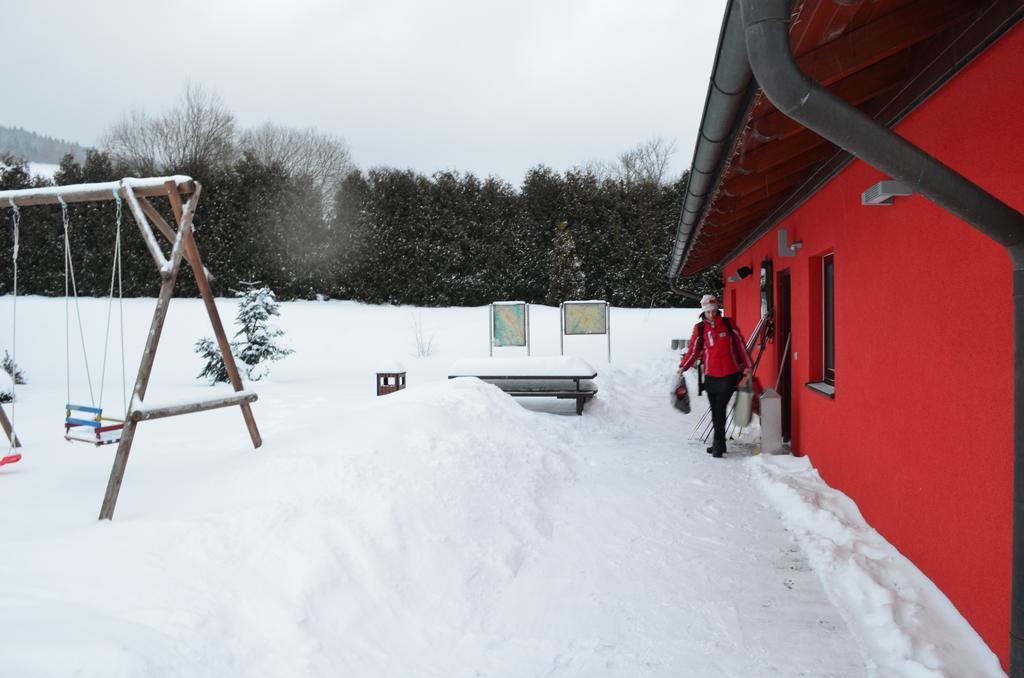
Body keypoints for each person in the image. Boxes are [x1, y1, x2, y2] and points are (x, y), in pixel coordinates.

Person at [679, 294, 752, 457]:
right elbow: (693, 350)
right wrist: (682, 367)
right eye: (707, 312)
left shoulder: (727, 324)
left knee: (719, 409)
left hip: (729, 374)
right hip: (711, 376)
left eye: (713, 311)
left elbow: (740, 345)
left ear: (717, 309)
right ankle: (721, 442)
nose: (711, 314)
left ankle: (718, 444)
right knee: (715, 411)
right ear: (703, 312)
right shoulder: (700, 328)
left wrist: (748, 366)